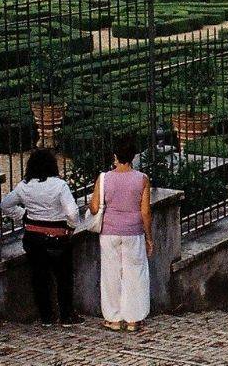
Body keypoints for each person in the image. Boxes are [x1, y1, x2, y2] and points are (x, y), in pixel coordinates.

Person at [0, 148, 83, 327]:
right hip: (58, 237)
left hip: (33, 237)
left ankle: (46, 317)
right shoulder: (59, 185)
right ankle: (66, 316)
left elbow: (5, 204)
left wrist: (22, 215)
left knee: (39, 278)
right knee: (63, 278)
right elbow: (72, 211)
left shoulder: (24, 186)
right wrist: (71, 225)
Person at [89, 137, 153, 332]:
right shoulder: (142, 179)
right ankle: (134, 319)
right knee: (135, 273)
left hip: (109, 231)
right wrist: (149, 237)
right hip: (133, 231)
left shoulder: (104, 178)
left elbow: (93, 207)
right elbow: (145, 212)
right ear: (133, 157)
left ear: (115, 156)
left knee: (110, 274)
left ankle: (113, 318)